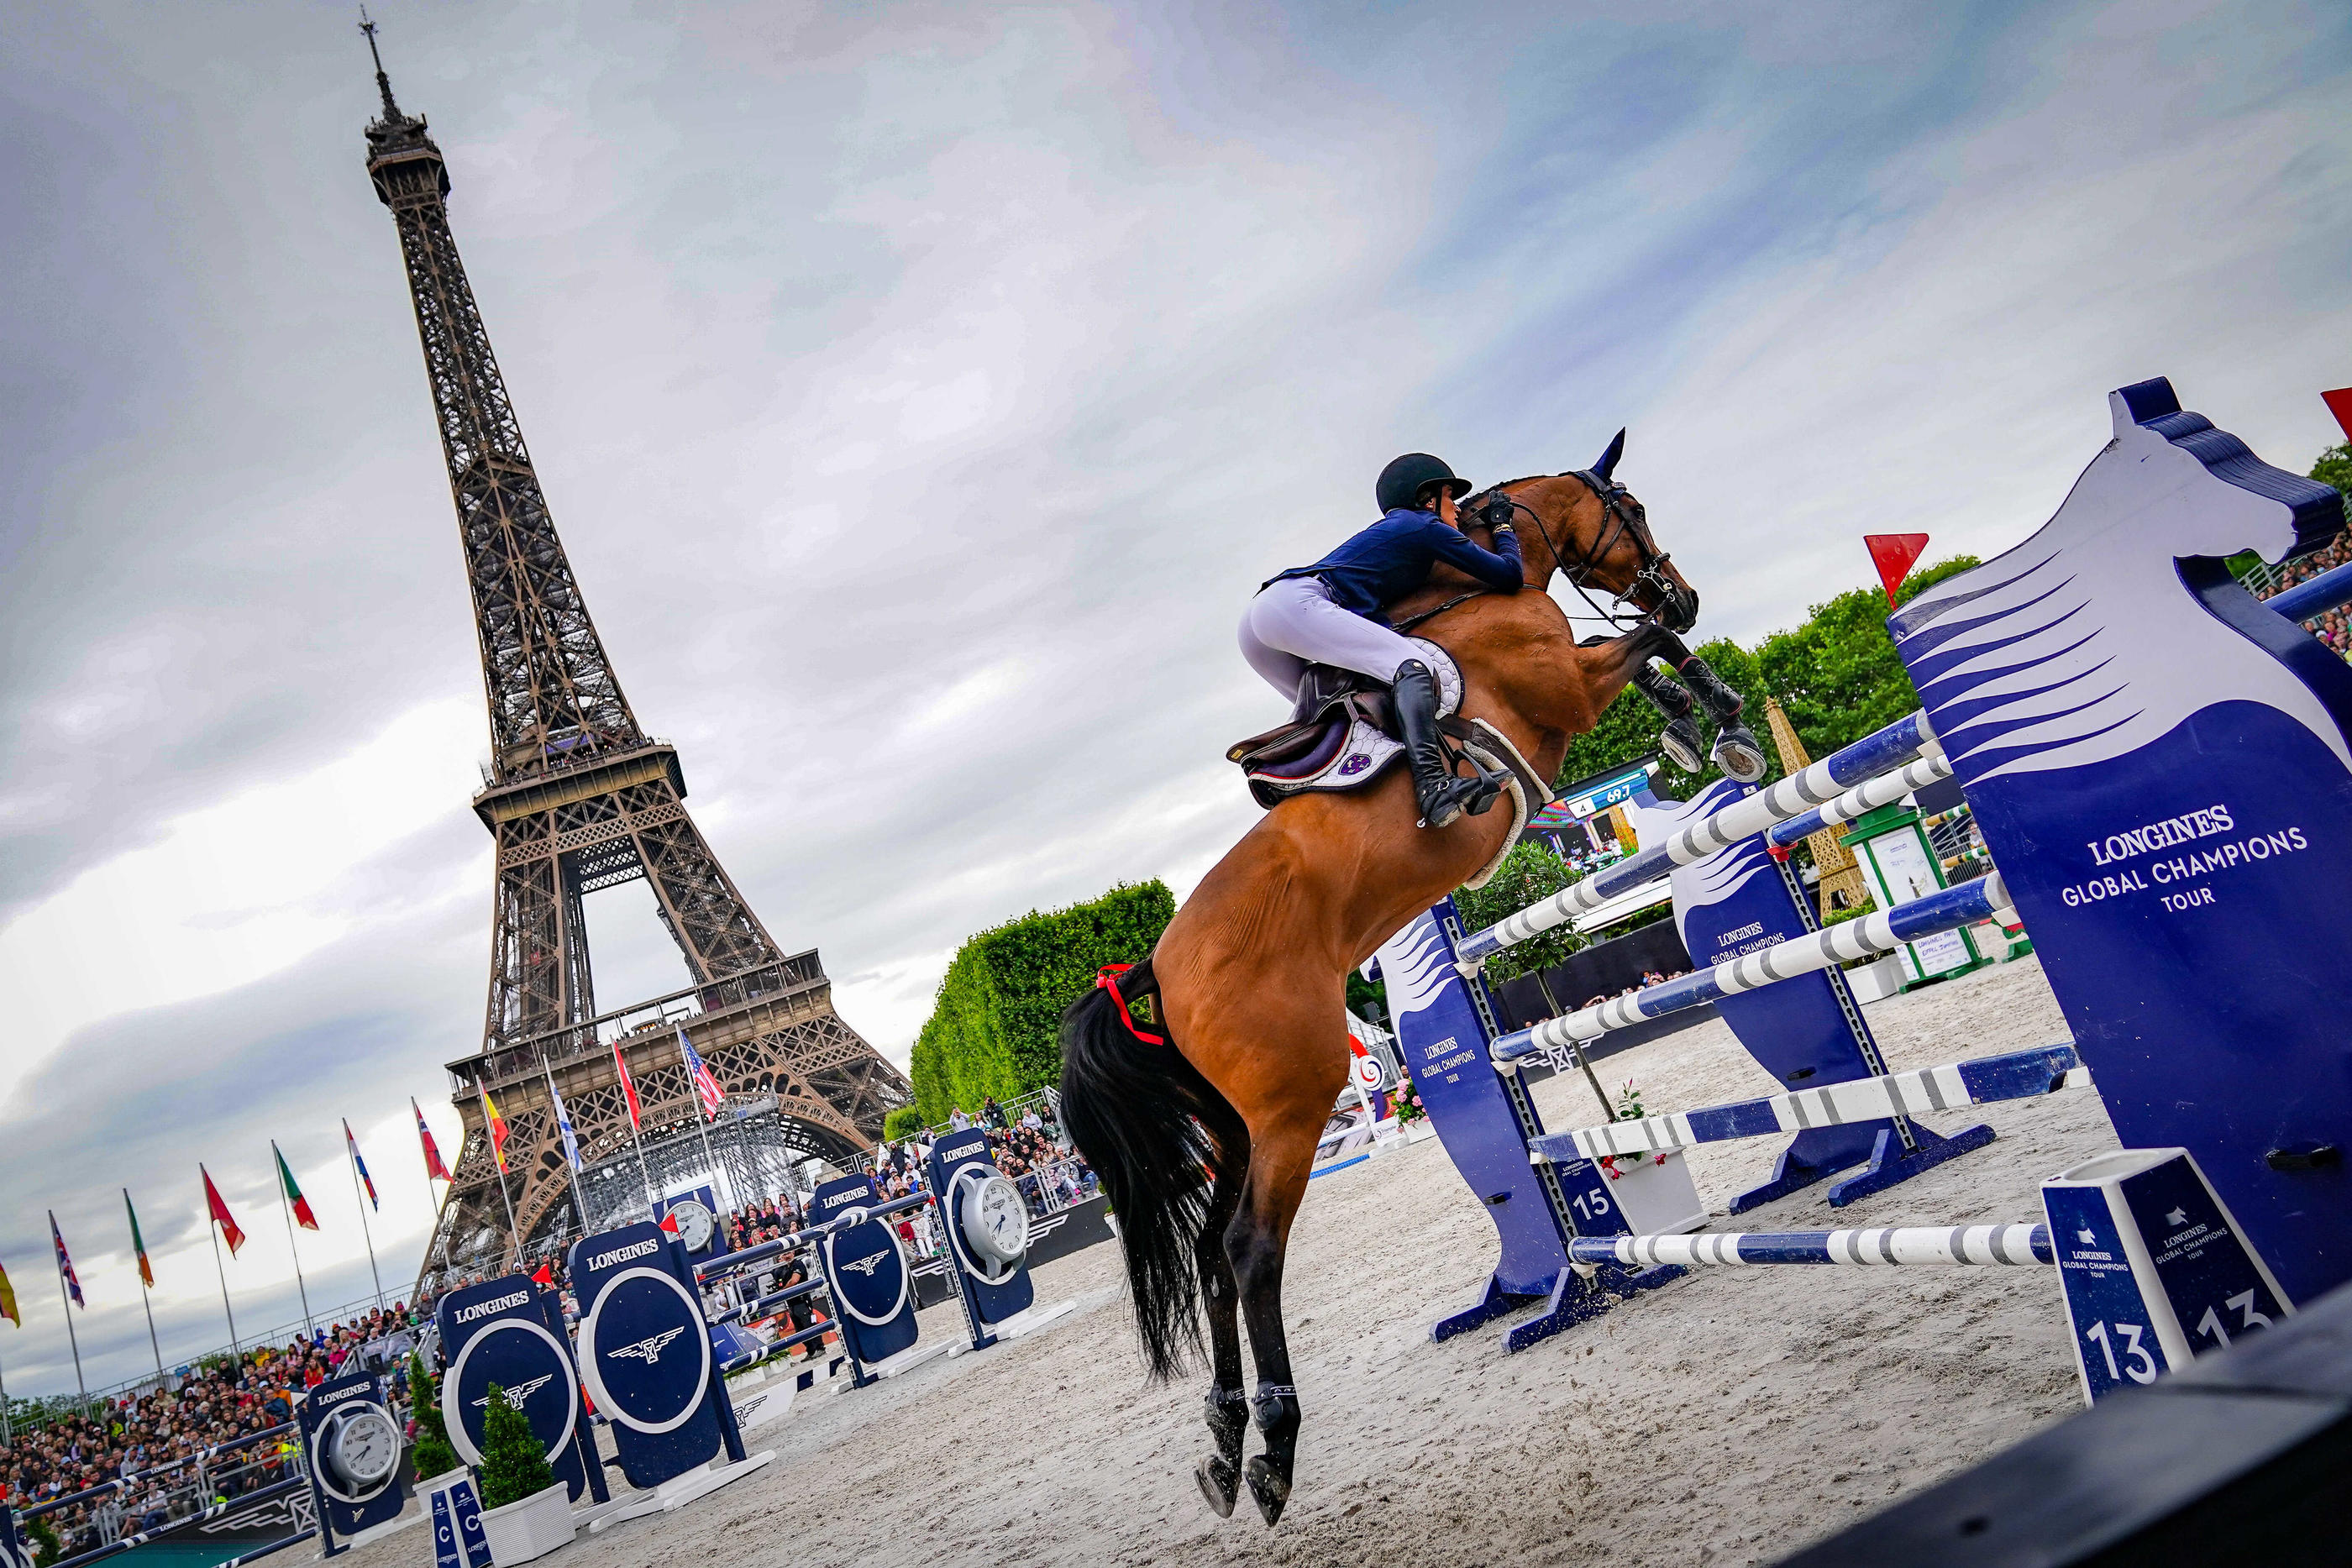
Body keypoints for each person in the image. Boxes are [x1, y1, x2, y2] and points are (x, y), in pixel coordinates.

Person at [1241, 453, 1525, 828]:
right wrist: (1504, 528)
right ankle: (1433, 788)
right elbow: (1509, 576)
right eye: (1449, 497)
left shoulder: (1402, 531)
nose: (1456, 509)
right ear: (1428, 500)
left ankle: (1320, 802)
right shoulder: (1425, 526)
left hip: (1258, 623)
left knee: (1340, 716)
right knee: (1414, 667)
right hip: (1297, 605)